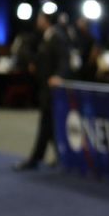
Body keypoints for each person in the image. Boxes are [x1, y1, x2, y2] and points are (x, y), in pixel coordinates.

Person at [14, 13, 70, 171]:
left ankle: (37, 158)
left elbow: (64, 59)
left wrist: (58, 76)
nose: (37, 22)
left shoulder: (57, 37)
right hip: (44, 87)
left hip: (52, 89)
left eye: (40, 19)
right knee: (48, 125)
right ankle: (57, 157)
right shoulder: (45, 38)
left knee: (47, 124)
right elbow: (44, 59)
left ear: (46, 21)